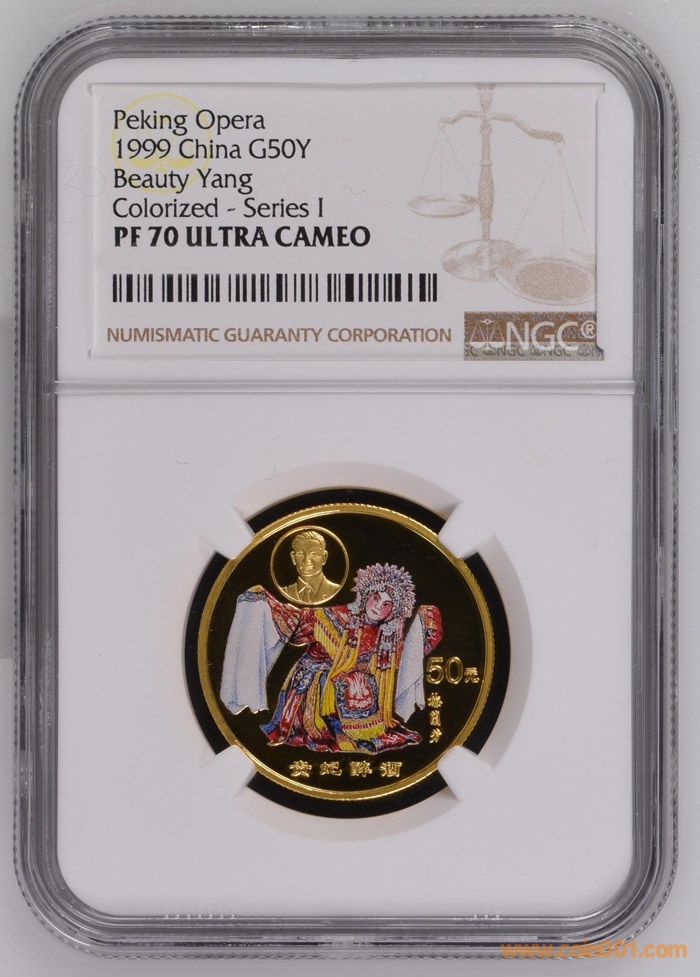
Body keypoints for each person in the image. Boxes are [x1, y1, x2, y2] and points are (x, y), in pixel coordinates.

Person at [219, 563, 443, 754]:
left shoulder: (388, 636)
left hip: (360, 693)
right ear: (366, 595)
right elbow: (298, 622)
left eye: (386, 605)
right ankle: (338, 731)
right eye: (375, 598)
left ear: (393, 611)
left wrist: (425, 625)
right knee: (338, 687)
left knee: (359, 686)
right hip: (316, 688)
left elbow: (406, 660)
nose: (377, 607)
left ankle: (365, 732)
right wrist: (267, 602)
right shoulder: (337, 616)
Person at [278, 529, 340, 603]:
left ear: (324, 557)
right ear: (293, 558)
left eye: (314, 554)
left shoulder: (337, 591)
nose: (306, 561)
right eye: (300, 554)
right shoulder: (284, 592)